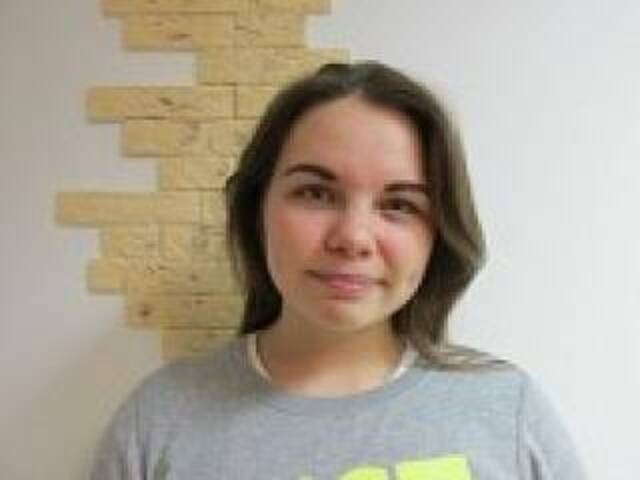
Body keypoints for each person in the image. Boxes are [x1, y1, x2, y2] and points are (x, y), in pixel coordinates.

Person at [91, 62, 588, 479]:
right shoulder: (158, 421)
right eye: (315, 193)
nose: (353, 237)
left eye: (399, 205)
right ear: (258, 208)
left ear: (438, 234)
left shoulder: (507, 411)